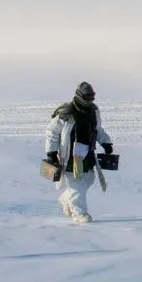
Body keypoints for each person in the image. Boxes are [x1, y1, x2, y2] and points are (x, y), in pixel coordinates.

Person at [45, 81, 115, 224]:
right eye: (87, 97)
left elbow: (98, 129)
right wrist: (51, 152)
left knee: (88, 180)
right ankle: (79, 214)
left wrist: (106, 142)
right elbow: (52, 132)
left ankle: (66, 199)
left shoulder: (93, 111)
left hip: (88, 152)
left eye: (92, 97)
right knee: (77, 185)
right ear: (80, 96)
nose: (90, 101)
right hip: (71, 154)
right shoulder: (66, 113)